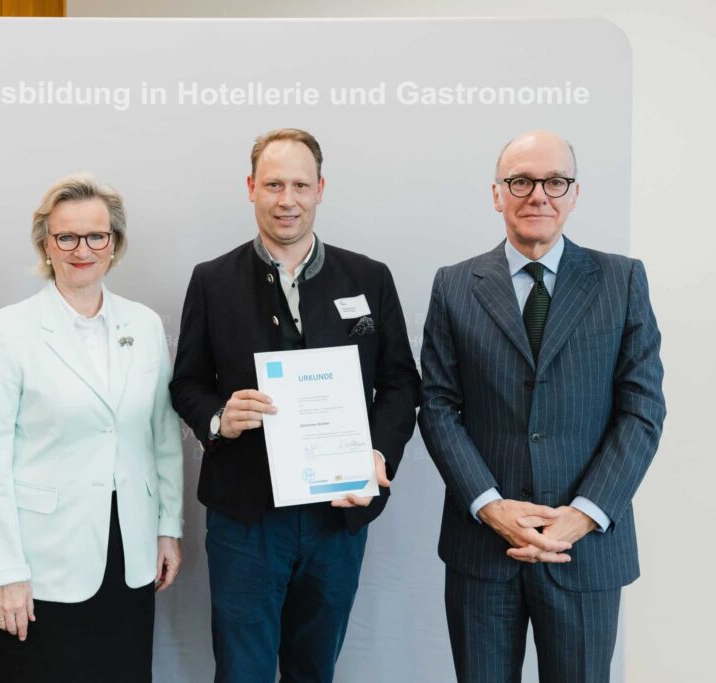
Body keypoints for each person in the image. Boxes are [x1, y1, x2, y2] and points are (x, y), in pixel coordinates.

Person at [169, 128, 421, 683]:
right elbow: (186, 383)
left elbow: (401, 383)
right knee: (242, 671)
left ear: (321, 189)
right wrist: (218, 418)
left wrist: (378, 455)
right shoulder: (212, 281)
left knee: (314, 669)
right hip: (245, 520)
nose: (288, 199)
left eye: (300, 185)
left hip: (338, 512)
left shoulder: (369, 278)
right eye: (274, 184)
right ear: (251, 188)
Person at [419, 130, 666, 682]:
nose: (538, 195)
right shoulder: (454, 285)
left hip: (586, 551)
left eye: (555, 182)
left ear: (574, 194)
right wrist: (489, 505)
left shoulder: (622, 280)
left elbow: (643, 410)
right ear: (497, 193)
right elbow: (436, 406)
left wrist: (585, 514)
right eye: (521, 181)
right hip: (484, 550)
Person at [0, 172, 183, 683]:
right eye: (66, 237)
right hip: (37, 566)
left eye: (96, 236)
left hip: (128, 553)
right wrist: (4, 571)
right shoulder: (8, 330)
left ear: (115, 243)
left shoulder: (145, 325)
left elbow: (162, 437)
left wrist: (168, 526)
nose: (82, 250)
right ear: (46, 243)